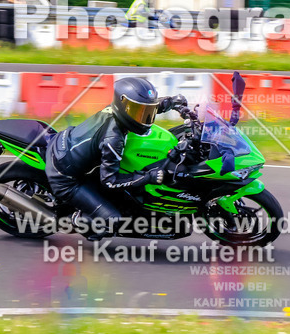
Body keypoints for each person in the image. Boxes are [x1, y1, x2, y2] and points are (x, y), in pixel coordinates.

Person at [44, 77, 187, 239]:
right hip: (65, 178)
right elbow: (110, 182)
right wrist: (148, 177)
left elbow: (143, 107)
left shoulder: (117, 110)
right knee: (113, 221)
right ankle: (75, 219)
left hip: (68, 147)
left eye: (147, 112)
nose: (144, 118)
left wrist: (171, 102)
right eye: (141, 113)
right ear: (123, 105)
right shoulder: (113, 139)